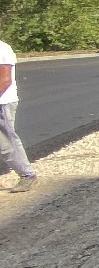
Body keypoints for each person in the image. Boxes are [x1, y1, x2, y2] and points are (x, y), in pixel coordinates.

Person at [0, 33, 39, 192]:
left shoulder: (2, 48)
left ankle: (27, 175)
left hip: (3, 102)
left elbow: (5, 79)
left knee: (6, 143)